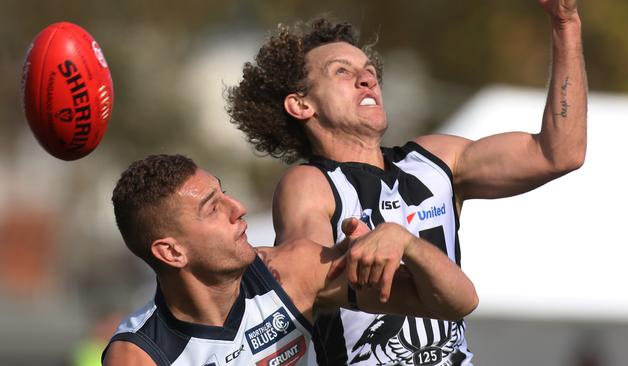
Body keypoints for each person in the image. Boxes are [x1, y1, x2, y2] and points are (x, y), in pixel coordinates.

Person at [226, 0, 586, 364]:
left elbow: (560, 153)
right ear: (302, 105)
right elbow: (308, 282)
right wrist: (357, 257)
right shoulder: (309, 183)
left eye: (369, 71)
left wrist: (565, 24)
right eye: (341, 72)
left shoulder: (435, 160)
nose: (367, 79)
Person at [101, 154, 478, 366]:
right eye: (212, 208)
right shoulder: (138, 355)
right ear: (171, 252)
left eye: (225, 193)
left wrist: (406, 243)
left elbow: (457, 302)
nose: (239, 209)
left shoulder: (290, 273)